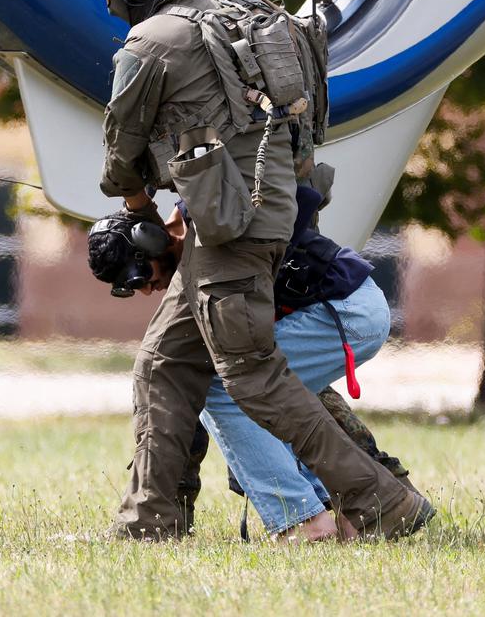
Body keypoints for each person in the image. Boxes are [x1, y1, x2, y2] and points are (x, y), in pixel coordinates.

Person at [89, 0, 432, 540]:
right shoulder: (239, 17)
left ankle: (381, 503)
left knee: (251, 375)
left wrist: (141, 213)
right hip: (263, 215)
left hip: (227, 228)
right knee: (163, 362)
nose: (108, 8)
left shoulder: (151, 41)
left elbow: (120, 154)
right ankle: (149, 522)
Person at [88, 188, 423, 542]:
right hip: (350, 307)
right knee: (265, 393)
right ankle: (350, 511)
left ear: (154, 240)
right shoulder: (201, 231)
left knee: (230, 388)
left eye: (140, 275)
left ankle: (303, 521)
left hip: (345, 310)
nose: (145, 290)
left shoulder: (209, 225)